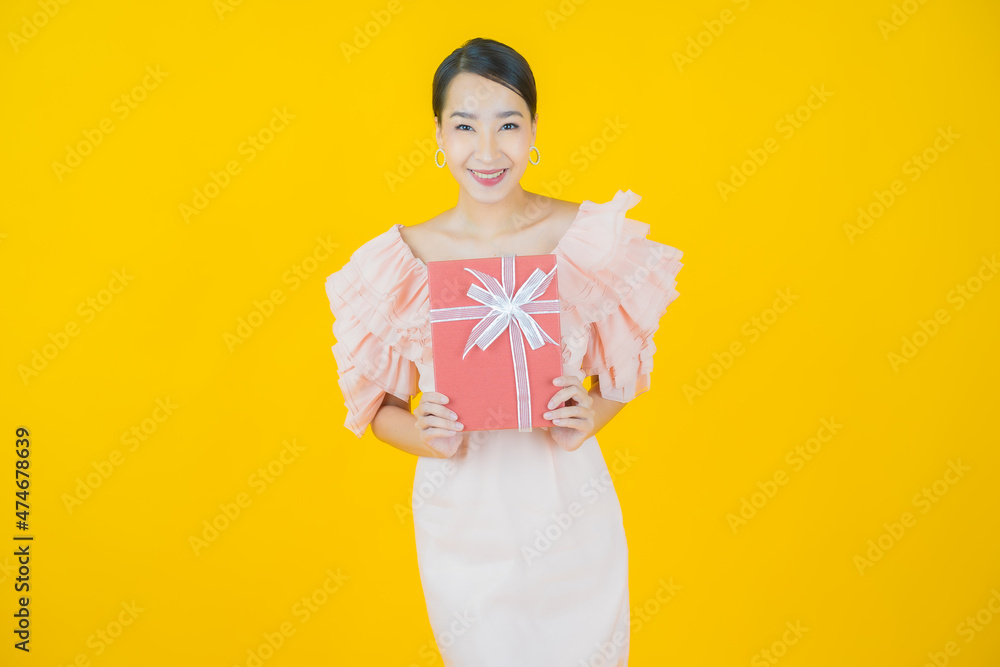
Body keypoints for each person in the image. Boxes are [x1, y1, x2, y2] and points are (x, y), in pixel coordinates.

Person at [325, 37, 684, 667]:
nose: (487, 151)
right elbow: (376, 408)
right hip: (465, 522)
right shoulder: (401, 258)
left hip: (571, 511)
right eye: (465, 126)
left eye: (508, 125)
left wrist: (586, 415)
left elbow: (621, 381)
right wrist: (423, 431)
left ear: (534, 129)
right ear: (438, 133)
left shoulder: (584, 239)